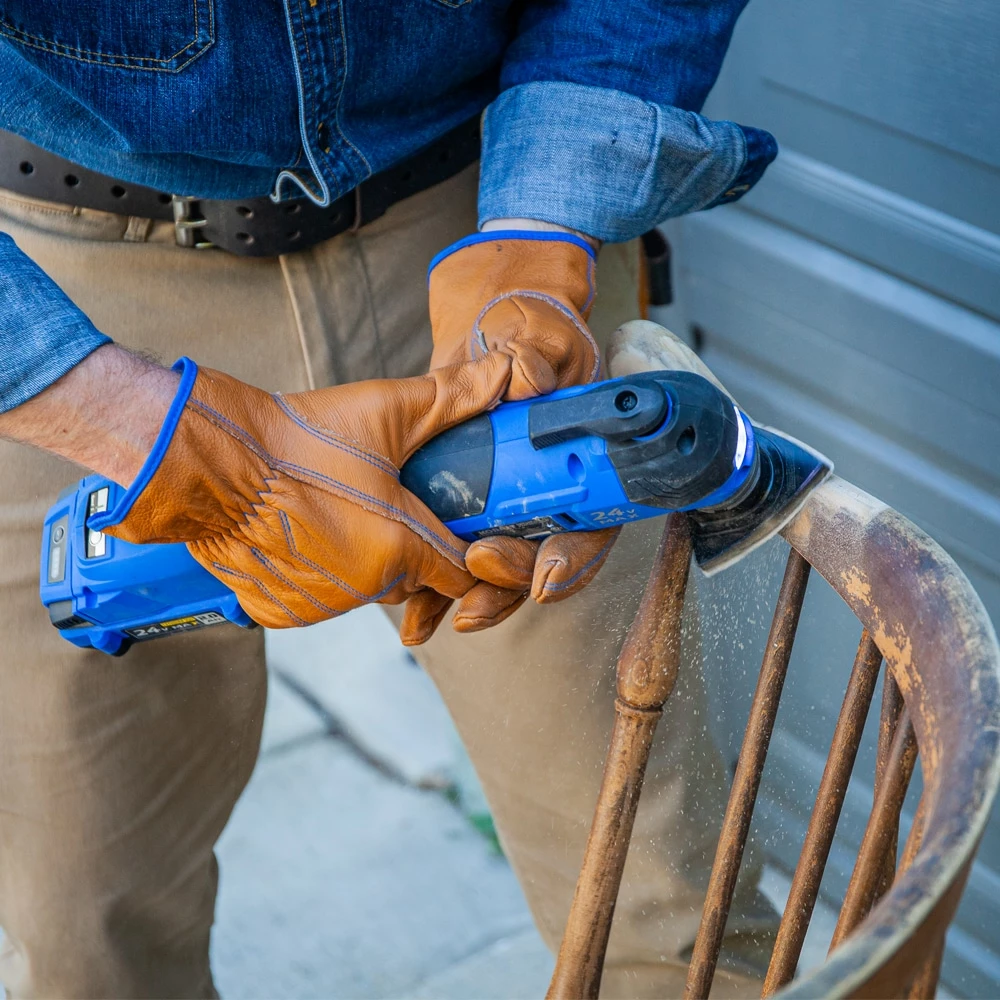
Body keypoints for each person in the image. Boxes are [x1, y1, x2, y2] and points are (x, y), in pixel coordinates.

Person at [0, 2, 779, 996]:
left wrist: (541, 235)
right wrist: (146, 433)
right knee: (86, 929)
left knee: (662, 909)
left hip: (476, 224)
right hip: (66, 300)